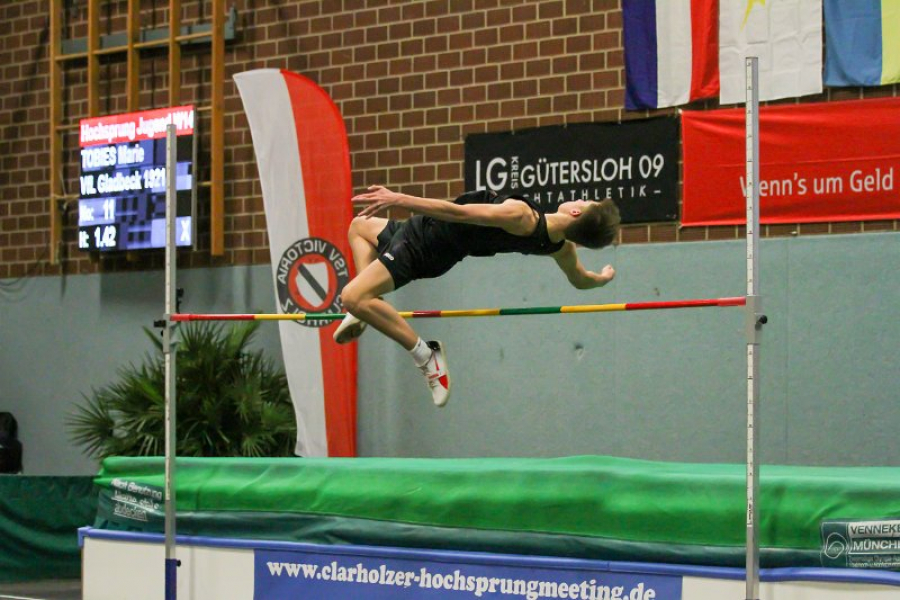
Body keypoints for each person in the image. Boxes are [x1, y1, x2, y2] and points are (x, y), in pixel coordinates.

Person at [335, 185, 621, 408]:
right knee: (358, 227)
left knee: (352, 296)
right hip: (422, 230)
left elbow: (457, 213)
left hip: (426, 246)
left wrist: (399, 198)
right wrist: (603, 278)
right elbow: (581, 280)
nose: (580, 201)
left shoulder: (521, 216)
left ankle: (425, 354)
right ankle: (367, 308)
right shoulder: (560, 248)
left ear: (575, 214)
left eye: (585, 204)